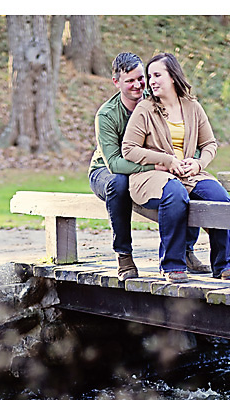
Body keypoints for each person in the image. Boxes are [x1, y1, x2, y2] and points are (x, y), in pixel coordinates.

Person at [120, 52, 230, 283]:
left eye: (157, 75)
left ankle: (223, 264)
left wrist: (198, 163)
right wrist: (167, 160)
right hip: (154, 175)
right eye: (149, 76)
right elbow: (129, 149)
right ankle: (172, 264)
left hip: (190, 174)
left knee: (220, 198)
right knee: (175, 196)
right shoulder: (145, 109)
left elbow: (209, 144)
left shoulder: (192, 107)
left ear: (172, 77)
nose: (151, 81)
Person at [87, 52, 206, 280]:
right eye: (129, 80)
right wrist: (154, 168)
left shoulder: (157, 101)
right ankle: (124, 255)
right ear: (116, 82)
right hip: (107, 170)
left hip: (154, 168)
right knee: (119, 184)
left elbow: (185, 134)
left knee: (183, 184)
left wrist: (192, 160)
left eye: (140, 78)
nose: (138, 85)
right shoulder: (107, 114)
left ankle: (186, 250)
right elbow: (115, 163)